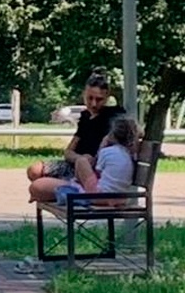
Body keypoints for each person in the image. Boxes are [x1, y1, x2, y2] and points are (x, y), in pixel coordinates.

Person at [27, 73, 126, 202]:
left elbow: (133, 131)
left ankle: (60, 193)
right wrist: (78, 158)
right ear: (84, 94)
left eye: (99, 99)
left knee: (37, 187)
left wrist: (92, 159)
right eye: (90, 98)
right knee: (34, 170)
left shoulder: (114, 116)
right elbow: (68, 152)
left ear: (107, 97)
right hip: (74, 164)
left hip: (92, 171)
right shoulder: (85, 117)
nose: (93, 104)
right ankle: (57, 192)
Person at [55, 115, 139, 204]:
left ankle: (78, 186)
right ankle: (78, 185)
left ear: (111, 135)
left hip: (99, 196)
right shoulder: (128, 154)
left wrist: (101, 147)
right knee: (85, 159)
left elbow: (98, 171)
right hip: (120, 199)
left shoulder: (107, 151)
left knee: (81, 160)